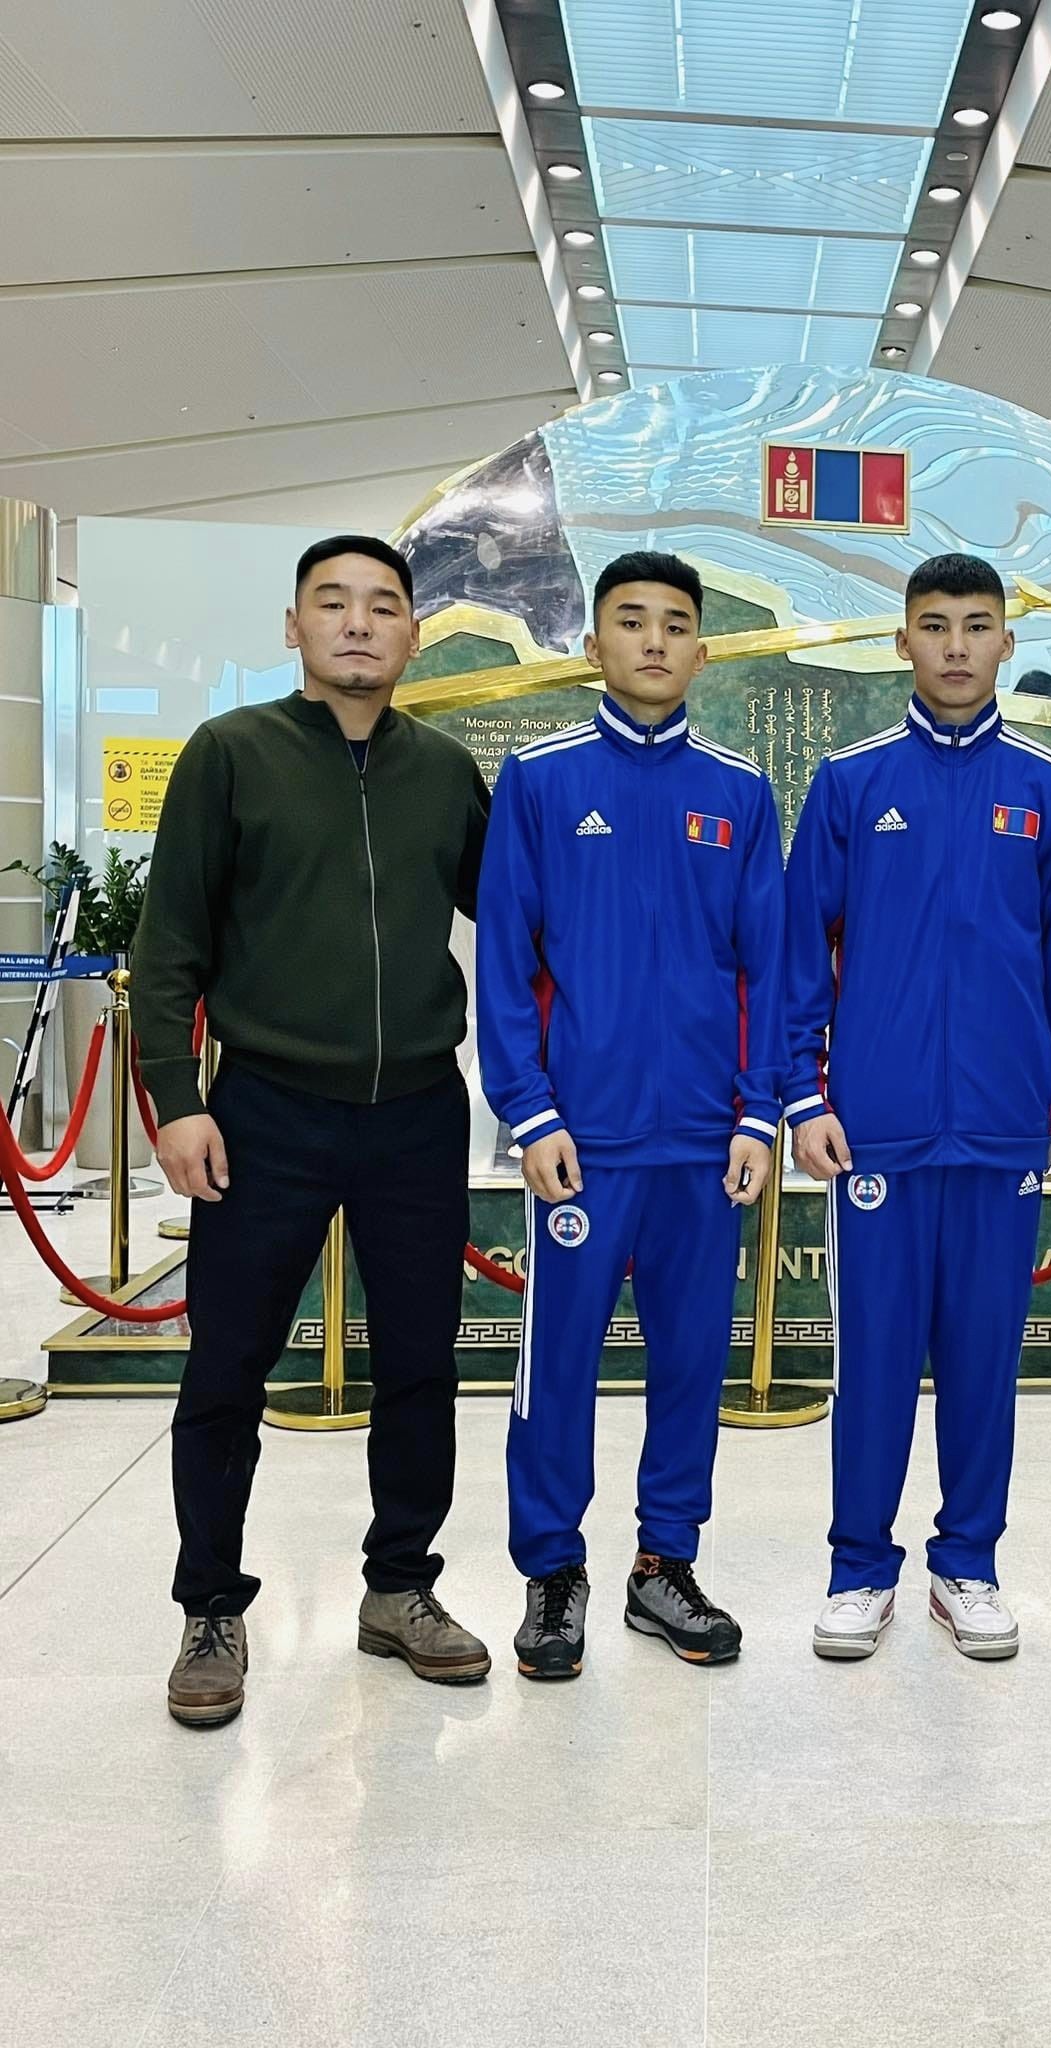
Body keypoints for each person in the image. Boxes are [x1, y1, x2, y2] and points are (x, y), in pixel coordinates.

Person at [134, 534, 493, 1729]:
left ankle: (400, 1587)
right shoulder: (231, 754)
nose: (356, 622)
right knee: (227, 1366)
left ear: (413, 636)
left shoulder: (444, 770)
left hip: (416, 1112)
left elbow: (528, 915)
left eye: (382, 605)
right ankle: (210, 1606)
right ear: (293, 626)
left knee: (421, 1365)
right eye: (331, 602)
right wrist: (177, 1097)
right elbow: (168, 943)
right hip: (265, 1113)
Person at [476, 550, 783, 1681]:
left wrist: (758, 1115)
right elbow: (506, 963)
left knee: (691, 1362)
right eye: (631, 620)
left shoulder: (740, 791)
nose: (654, 640)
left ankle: (666, 1563)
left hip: (704, 1144)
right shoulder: (541, 780)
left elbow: (768, 969)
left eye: (674, 623)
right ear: (592, 641)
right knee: (557, 1364)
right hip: (582, 1143)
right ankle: (552, 1571)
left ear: (702, 649)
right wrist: (530, 1108)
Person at [785, 553, 1051, 1662]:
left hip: (1003, 1124)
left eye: (976, 625)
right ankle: (858, 1568)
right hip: (877, 1124)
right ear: (902, 641)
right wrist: (803, 1093)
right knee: (872, 1357)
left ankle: (968, 1563)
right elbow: (797, 954)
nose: (956, 646)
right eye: (934, 625)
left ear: (1007, 640)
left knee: (982, 1360)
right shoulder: (849, 782)